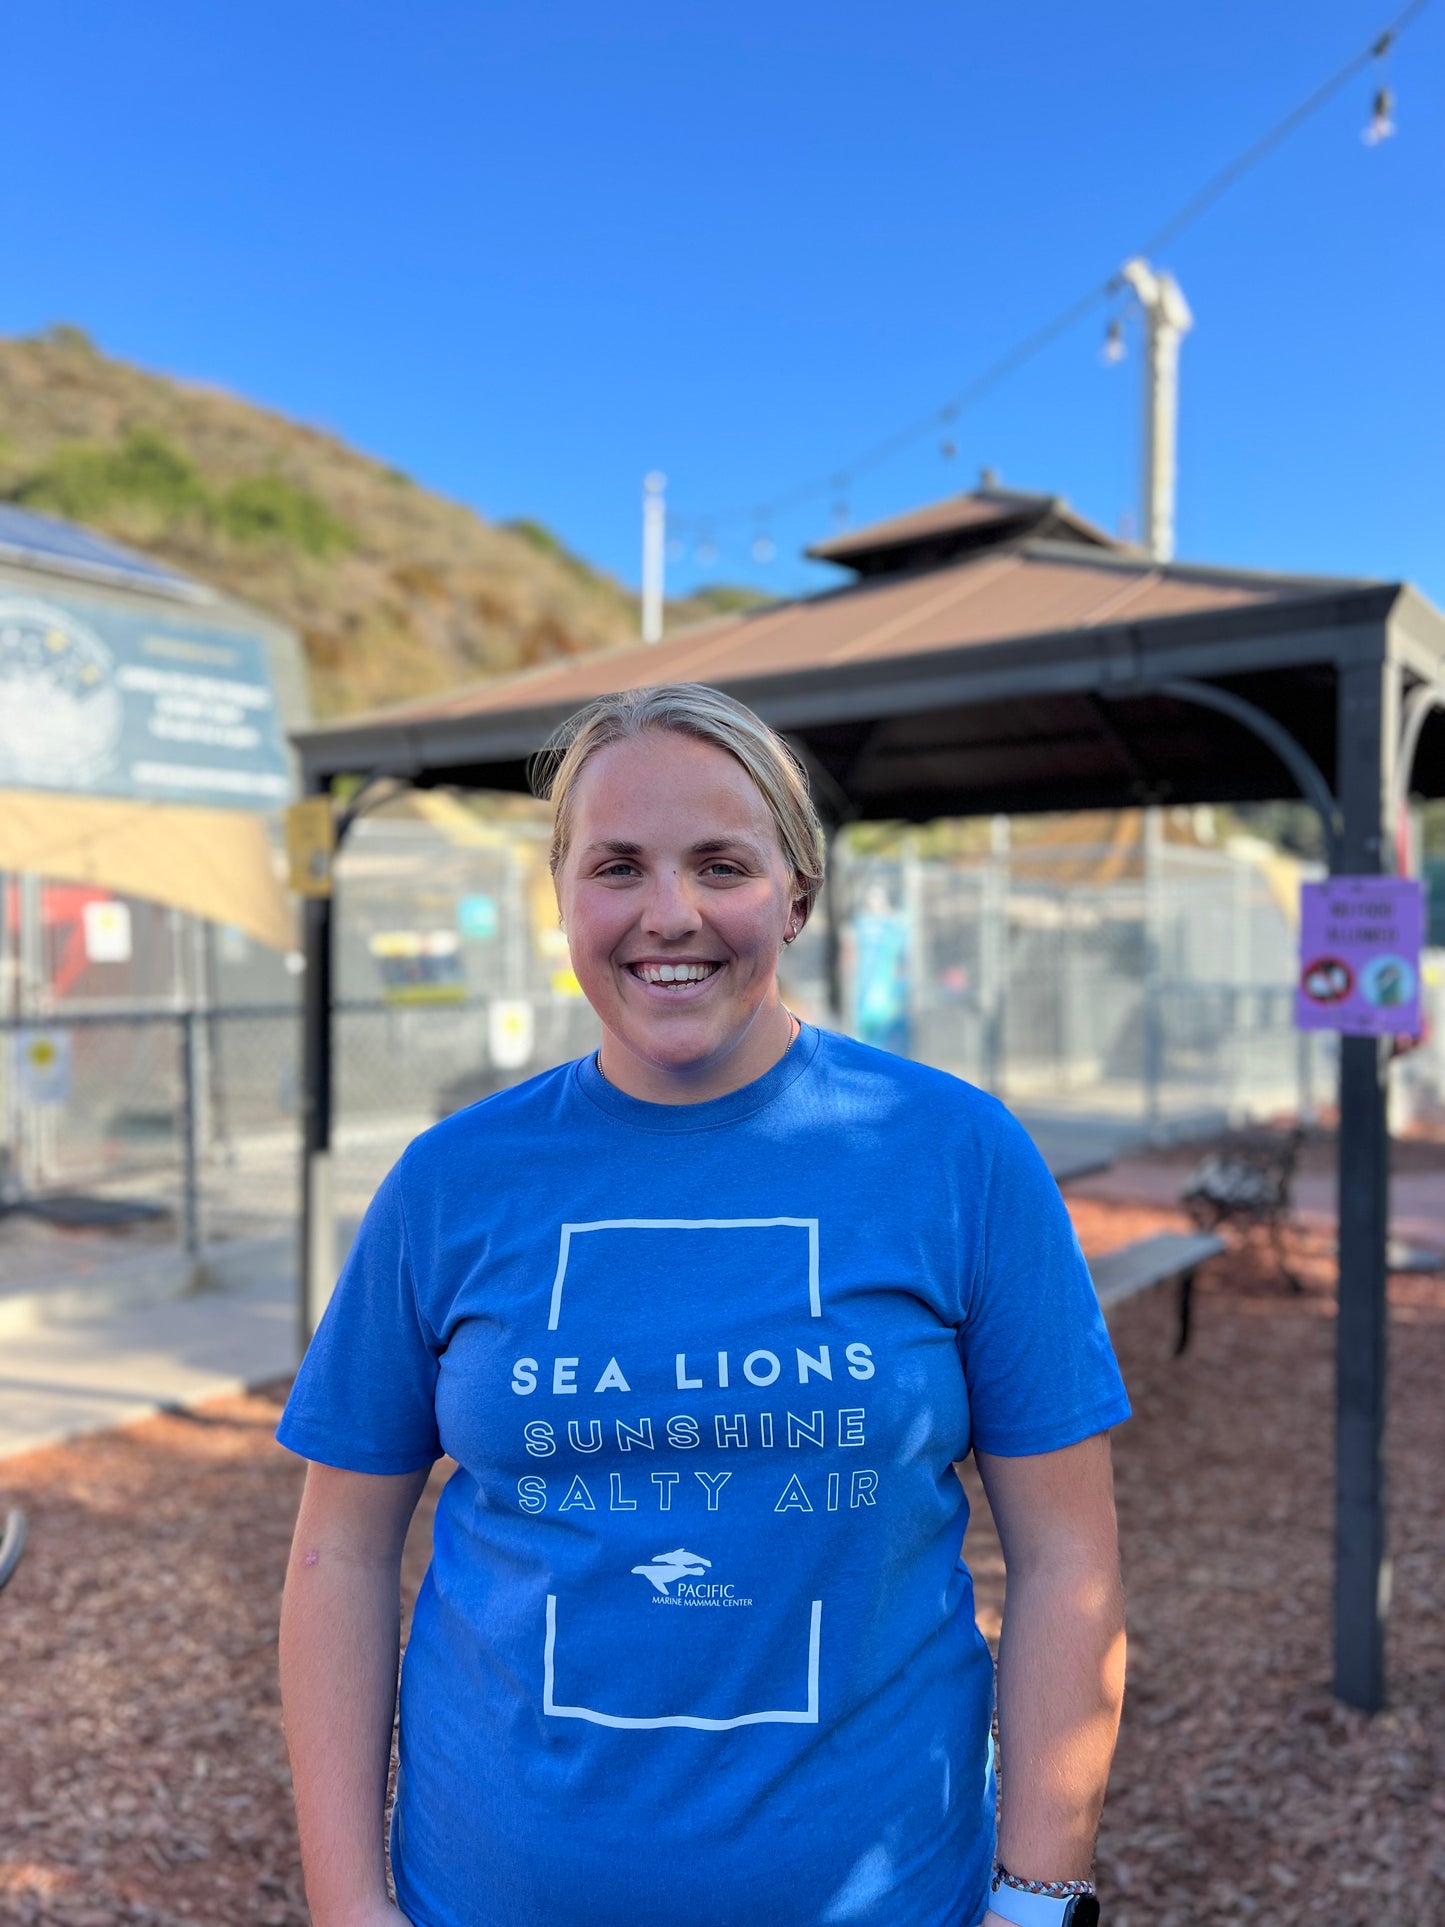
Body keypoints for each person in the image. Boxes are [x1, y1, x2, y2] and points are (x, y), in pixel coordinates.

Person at [278, 683, 1129, 1927]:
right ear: (561, 898)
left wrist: (1036, 1900)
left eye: (719, 864)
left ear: (794, 892)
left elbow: (1069, 1559)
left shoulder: (952, 1154)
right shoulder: (451, 1183)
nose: (666, 914)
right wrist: (347, 1906)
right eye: (615, 866)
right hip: (486, 1897)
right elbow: (337, 1551)